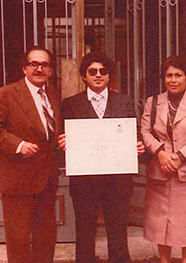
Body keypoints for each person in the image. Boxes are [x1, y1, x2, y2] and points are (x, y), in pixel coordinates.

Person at [58, 52, 145, 263]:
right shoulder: (70, 104)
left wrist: (138, 145)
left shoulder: (124, 101)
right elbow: (62, 136)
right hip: (84, 182)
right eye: (92, 71)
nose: (98, 75)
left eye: (103, 71)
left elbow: (134, 133)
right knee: (85, 235)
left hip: (117, 182)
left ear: (109, 76)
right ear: (84, 76)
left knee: (118, 236)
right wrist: (63, 143)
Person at [0, 46, 61, 263]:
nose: (39, 68)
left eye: (44, 64)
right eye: (34, 64)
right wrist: (18, 145)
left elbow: (51, 133)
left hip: (46, 181)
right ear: (24, 68)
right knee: (18, 241)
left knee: (46, 240)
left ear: (51, 71)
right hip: (18, 181)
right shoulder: (7, 94)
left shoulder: (53, 95)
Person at [140, 55, 186, 263]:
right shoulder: (153, 103)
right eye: (169, 75)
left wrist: (181, 156)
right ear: (164, 79)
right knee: (161, 222)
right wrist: (160, 152)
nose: (173, 80)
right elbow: (145, 132)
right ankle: (164, 260)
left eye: (178, 75)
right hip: (160, 170)